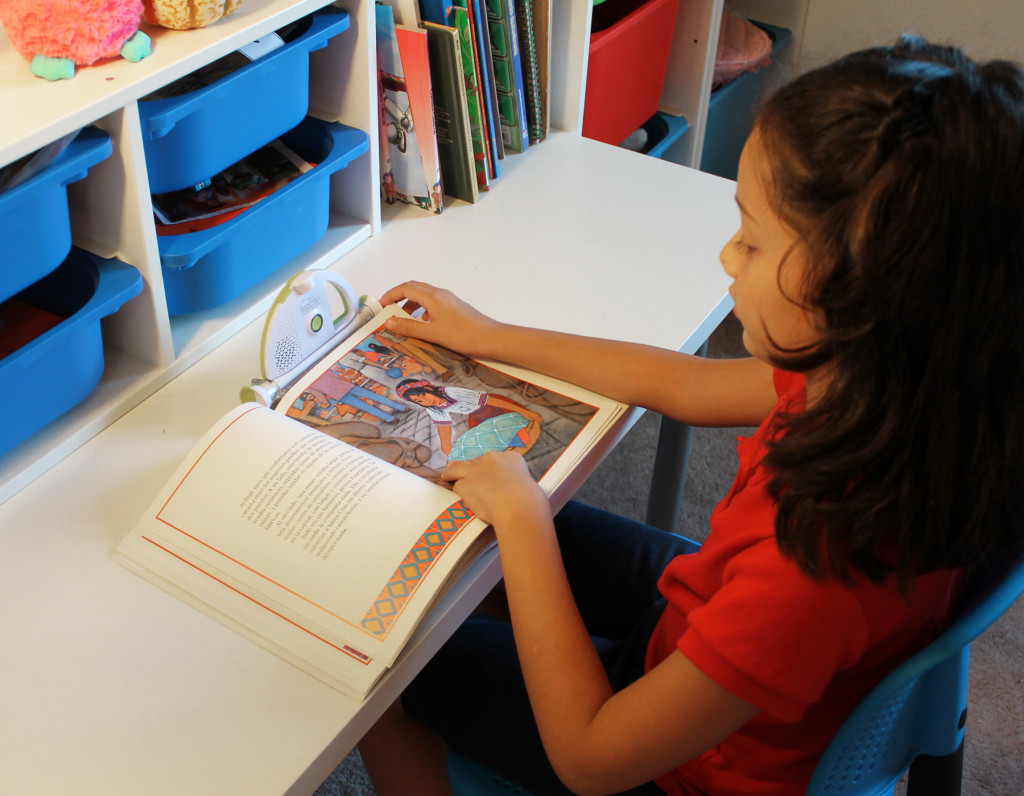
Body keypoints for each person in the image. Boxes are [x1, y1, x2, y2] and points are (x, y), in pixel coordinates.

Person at [358, 35, 1024, 796]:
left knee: (388, 675)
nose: (726, 259)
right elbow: (685, 385)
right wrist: (488, 336)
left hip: (681, 773)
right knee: (489, 523)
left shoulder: (814, 569)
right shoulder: (896, 384)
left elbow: (590, 757)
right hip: (700, 623)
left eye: (752, 239)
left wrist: (525, 524)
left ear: (862, 294)